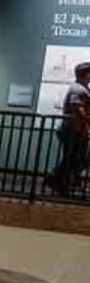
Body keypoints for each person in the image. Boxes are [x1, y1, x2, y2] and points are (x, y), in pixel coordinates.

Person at [48, 62, 90, 196]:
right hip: (72, 130)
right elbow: (78, 109)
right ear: (87, 74)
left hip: (75, 130)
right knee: (72, 158)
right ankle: (59, 183)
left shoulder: (82, 88)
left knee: (74, 158)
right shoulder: (78, 89)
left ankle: (58, 180)